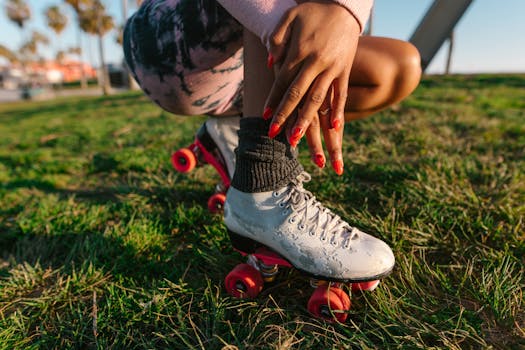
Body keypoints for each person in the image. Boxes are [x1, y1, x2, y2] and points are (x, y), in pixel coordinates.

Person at [123, 0, 421, 282]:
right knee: (309, 14)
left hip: (246, 73)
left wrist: (346, 16)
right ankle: (263, 184)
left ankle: (237, 127)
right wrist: (296, 44)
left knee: (399, 66)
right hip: (173, 45)